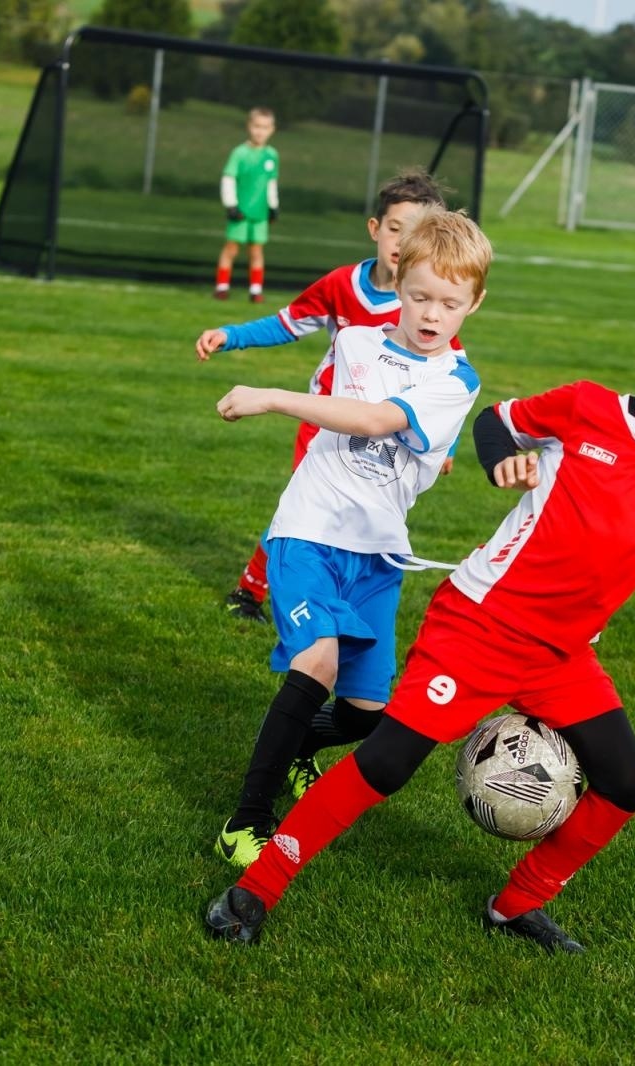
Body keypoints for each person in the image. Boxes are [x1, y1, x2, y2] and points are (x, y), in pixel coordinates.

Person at [206, 306, 635, 950]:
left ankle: (516, 905)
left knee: (628, 781)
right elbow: (497, 422)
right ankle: (255, 888)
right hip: (478, 627)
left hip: (561, 656)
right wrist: (501, 462)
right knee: (387, 762)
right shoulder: (586, 409)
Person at [209, 209, 491, 869]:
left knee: (368, 713)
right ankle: (246, 822)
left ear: (473, 303)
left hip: (377, 552)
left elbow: (373, 418)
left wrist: (271, 396)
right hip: (307, 530)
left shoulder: (456, 380)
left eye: (449, 303)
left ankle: (296, 746)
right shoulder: (357, 342)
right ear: (397, 280)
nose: (430, 314)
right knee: (319, 662)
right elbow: (334, 402)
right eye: (419, 295)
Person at [197, 169, 454, 623]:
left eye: (415, 233)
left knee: (358, 525)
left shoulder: (427, 309)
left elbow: (444, 383)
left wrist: (446, 443)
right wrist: (231, 335)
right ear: (376, 229)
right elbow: (289, 320)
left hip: (385, 435)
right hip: (323, 424)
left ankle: (341, 603)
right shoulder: (342, 284)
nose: (401, 242)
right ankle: (253, 592)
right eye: (395, 228)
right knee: (303, 510)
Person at [214, 107, 279, 303]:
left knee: (256, 251)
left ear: (272, 130)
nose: (260, 131)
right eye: (257, 126)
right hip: (240, 212)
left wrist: (273, 206)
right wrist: (231, 205)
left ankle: (255, 290)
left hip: (259, 214)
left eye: (265, 127)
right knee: (231, 249)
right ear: (249, 127)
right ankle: (222, 287)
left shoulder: (272, 155)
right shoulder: (239, 153)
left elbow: (271, 183)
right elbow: (228, 178)